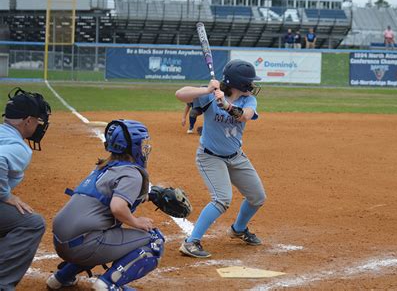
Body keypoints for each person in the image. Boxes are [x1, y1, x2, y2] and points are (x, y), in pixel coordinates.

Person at [46, 119, 165, 291]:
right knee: (155, 241)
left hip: (62, 242)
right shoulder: (132, 174)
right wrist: (137, 221)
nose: (143, 147)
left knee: (100, 228)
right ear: (131, 147)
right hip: (83, 245)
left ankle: (61, 278)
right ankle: (108, 284)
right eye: (140, 143)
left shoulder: (103, 167)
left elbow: (105, 198)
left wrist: (150, 196)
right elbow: (117, 207)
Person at [175, 59, 266, 258]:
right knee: (222, 199)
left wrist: (225, 104)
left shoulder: (248, 100)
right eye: (249, 82)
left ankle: (238, 229)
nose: (252, 85)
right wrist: (206, 90)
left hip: (236, 157)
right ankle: (191, 242)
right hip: (210, 157)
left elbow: (244, 116)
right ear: (239, 83)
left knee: (257, 197)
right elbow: (180, 94)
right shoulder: (210, 96)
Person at [0, 87, 51, 290]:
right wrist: (4, 194)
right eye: (38, 121)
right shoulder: (19, 147)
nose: (39, 126)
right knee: (32, 223)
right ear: (27, 120)